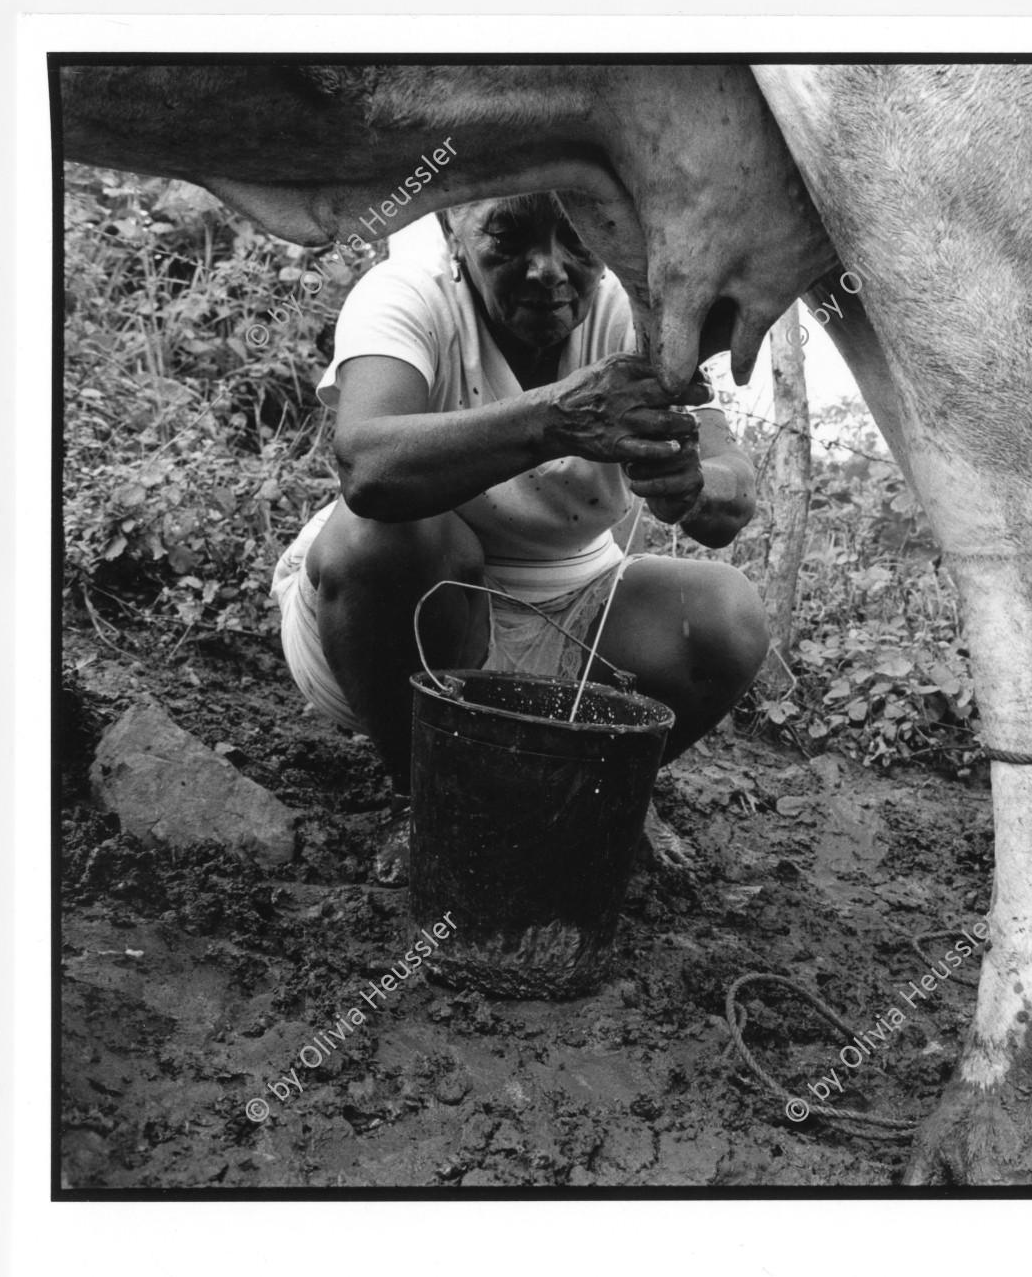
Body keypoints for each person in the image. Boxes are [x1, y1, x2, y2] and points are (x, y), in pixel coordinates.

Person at [271, 191, 769, 877]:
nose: (548, 270)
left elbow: (730, 489)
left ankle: (594, 792)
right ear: (453, 228)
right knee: (382, 539)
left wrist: (694, 484)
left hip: (575, 618)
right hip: (402, 629)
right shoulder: (406, 297)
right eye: (510, 236)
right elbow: (368, 466)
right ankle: (427, 803)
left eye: (578, 238)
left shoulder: (633, 318)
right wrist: (556, 420)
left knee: (726, 617)